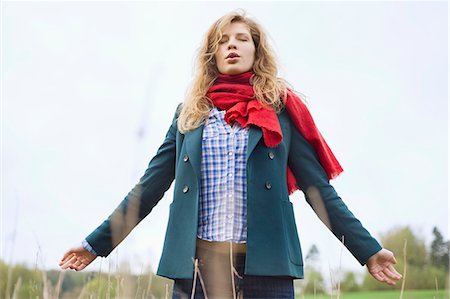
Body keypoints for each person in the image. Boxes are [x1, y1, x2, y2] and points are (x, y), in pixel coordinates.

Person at [59, 10, 402, 299]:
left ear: (256, 50)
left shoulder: (280, 111)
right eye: (222, 41)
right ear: (213, 54)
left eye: (240, 38)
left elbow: (319, 191)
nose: (231, 45)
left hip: (266, 271)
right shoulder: (189, 115)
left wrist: (368, 250)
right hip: (196, 271)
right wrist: (94, 245)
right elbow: (148, 188)